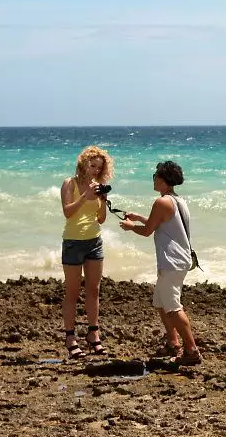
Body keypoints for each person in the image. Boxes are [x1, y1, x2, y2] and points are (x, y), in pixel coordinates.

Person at [119, 160, 203, 366]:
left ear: (164, 180)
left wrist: (131, 227)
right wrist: (138, 218)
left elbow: (148, 231)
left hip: (171, 261)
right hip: (179, 259)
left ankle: (191, 350)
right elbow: (159, 223)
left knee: (172, 307)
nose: (154, 180)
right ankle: (173, 343)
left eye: (156, 176)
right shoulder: (177, 200)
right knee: (161, 304)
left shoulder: (162, 202)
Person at [60, 145, 113, 359]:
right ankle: (70, 337)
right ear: (83, 164)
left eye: (99, 168)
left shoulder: (98, 187)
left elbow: (101, 219)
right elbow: (68, 212)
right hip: (73, 242)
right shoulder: (69, 184)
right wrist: (85, 195)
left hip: (94, 241)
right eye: (92, 166)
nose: (95, 171)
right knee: (72, 292)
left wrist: (102, 200)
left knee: (94, 290)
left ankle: (94, 334)